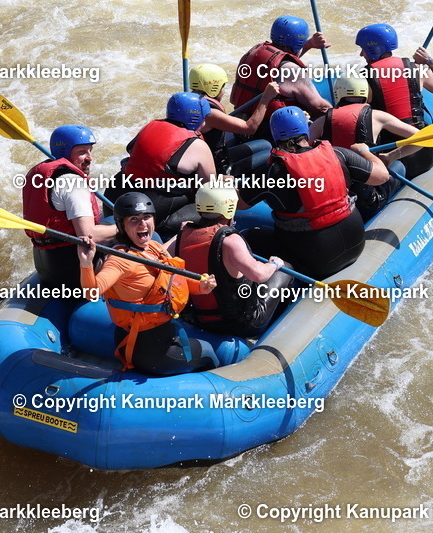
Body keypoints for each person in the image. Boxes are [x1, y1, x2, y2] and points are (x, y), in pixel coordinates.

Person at [77, 192, 231, 375]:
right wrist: (86, 264)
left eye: (147, 217)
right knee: (207, 352)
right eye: (134, 219)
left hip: (162, 333)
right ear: (122, 225)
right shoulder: (119, 261)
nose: (143, 224)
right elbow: (92, 293)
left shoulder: (154, 247)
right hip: (149, 349)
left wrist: (200, 286)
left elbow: (173, 279)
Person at [238, 106, 390, 280]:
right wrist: (365, 152)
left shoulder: (271, 172)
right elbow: (382, 176)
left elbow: (238, 204)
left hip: (316, 260)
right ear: (305, 129)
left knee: (249, 236)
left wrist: (228, 186)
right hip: (356, 243)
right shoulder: (337, 153)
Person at [168, 182, 293, 337]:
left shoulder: (182, 235)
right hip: (242, 323)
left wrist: (179, 234)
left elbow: (164, 256)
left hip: (202, 319)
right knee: (287, 269)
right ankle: (277, 332)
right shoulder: (231, 240)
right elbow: (259, 275)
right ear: (229, 209)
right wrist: (273, 264)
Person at [107, 92, 218, 239]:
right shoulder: (198, 145)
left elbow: (132, 152)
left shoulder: (150, 126)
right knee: (213, 207)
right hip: (148, 206)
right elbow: (210, 188)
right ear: (197, 118)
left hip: (116, 194)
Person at [356, 23, 433, 178]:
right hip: (424, 152)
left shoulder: (363, 78)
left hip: (389, 155)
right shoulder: (416, 69)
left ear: (373, 49)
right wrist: (431, 61)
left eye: (363, 48)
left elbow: (355, 118)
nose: (361, 54)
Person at [309, 75, 419, 217]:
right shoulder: (378, 116)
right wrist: (390, 157)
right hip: (369, 201)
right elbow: (419, 139)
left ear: (337, 94)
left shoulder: (321, 121)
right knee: (399, 166)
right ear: (366, 93)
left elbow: (304, 151)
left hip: (337, 198)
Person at [22, 124, 116, 289]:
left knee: (107, 219)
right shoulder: (73, 183)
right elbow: (88, 236)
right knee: (133, 231)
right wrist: (127, 229)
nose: (90, 158)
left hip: (46, 269)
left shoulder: (38, 173)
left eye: (90, 151)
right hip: (74, 273)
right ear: (65, 153)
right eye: (82, 152)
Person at [231, 15, 332, 140]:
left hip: (243, 121)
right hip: (272, 132)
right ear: (299, 41)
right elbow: (320, 107)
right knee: (324, 115)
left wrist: (309, 44)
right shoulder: (292, 71)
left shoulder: (256, 51)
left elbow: (280, 64)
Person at [189, 63, 279, 173]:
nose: (224, 91)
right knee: (270, 153)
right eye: (223, 86)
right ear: (214, 88)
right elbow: (250, 128)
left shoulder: (188, 103)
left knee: (265, 144)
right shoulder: (210, 113)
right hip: (214, 168)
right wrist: (266, 97)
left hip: (205, 155)